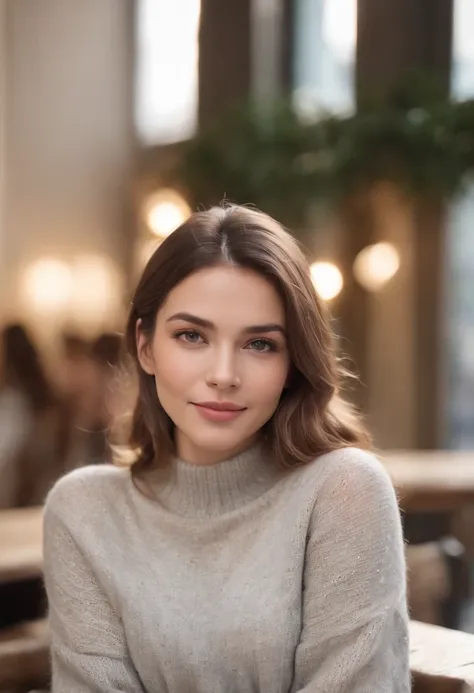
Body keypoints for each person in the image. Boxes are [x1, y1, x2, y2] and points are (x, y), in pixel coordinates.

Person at [43, 205, 410, 692]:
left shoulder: (343, 491)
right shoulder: (83, 513)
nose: (223, 374)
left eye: (259, 344)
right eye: (191, 335)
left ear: (293, 364)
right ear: (146, 346)